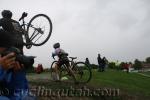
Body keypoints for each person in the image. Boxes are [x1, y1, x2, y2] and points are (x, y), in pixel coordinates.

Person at [0, 29, 36, 100]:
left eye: (9, 51)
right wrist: (1, 68)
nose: (7, 57)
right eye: (4, 53)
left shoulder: (10, 67)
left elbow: (19, 92)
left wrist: (18, 75)